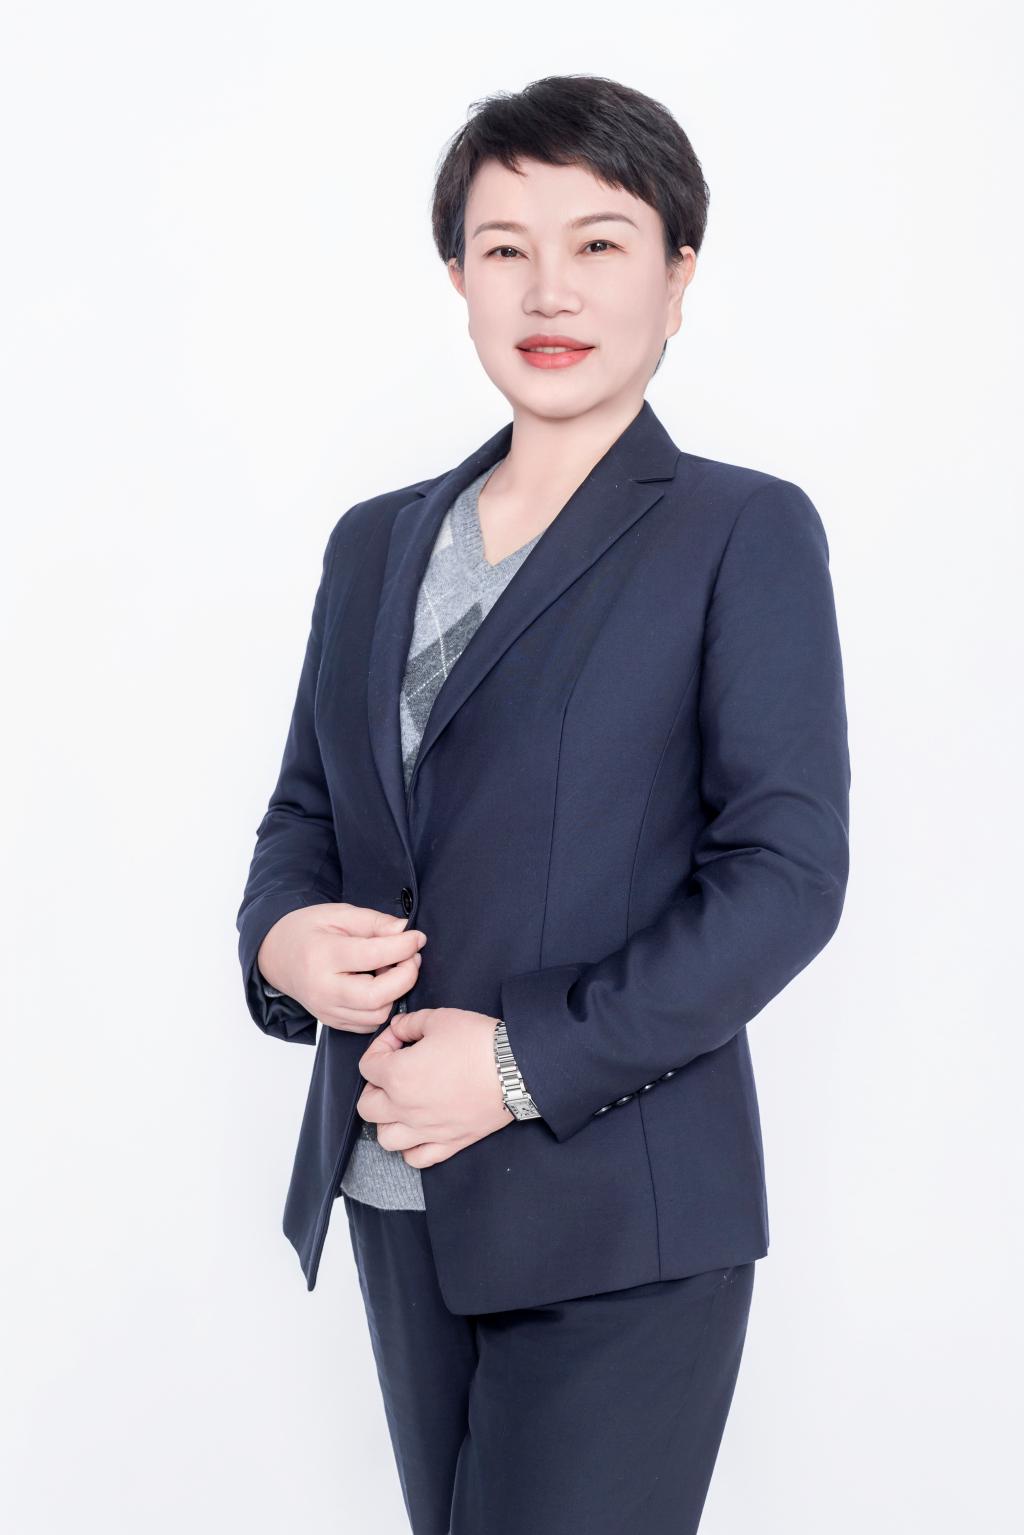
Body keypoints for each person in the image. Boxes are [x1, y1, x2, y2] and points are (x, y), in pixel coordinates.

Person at [236, 73, 850, 1535]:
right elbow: (306, 814)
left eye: (600, 243)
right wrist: (283, 945)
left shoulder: (740, 530)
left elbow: (784, 876)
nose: (548, 289)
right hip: (396, 1185)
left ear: (679, 275)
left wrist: (516, 1066)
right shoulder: (375, 543)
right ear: (457, 275)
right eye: (504, 246)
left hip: (618, 1208)